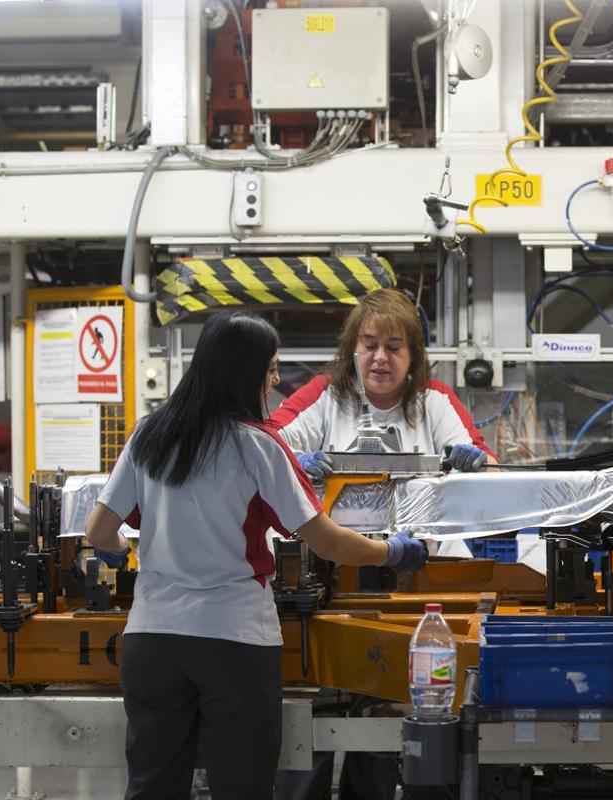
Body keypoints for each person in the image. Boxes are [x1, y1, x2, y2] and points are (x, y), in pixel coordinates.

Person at [84, 311, 428, 800]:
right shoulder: (258, 446)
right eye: (269, 368)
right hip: (233, 641)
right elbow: (327, 542)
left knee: (152, 787)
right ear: (241, 372)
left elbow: (99, 530)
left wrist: (120, 551)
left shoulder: (149, 435)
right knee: (241, 787)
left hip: (151, 641)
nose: (273, 381)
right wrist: (391, 551)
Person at [270, 288, 493, 479]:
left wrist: (475, 464)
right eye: (370, 345)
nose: (380, 358)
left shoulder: (435, 398)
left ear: (412, 353)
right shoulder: (326, 392)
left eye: (393, 348)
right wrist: (294, 460)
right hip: (335, 529)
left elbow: (491, 466)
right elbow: (262, 442)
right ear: (353, 349)